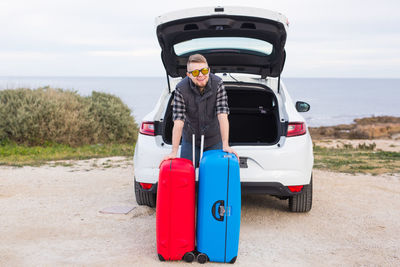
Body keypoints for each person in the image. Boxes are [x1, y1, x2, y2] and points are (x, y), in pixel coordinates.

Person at [163, 54, 238, 166]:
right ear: (188, 74)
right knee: (187, 174)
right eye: (195, 72)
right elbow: (178, 121)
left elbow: (222, 114)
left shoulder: (218, 84)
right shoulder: (180, 89)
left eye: (204, 70)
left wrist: (225, 144)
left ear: (208, 70)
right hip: (190, 140)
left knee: (213, 175)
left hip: (214, 138)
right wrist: (174, 152)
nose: (201, 75)